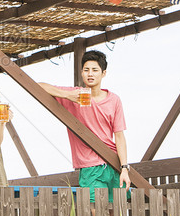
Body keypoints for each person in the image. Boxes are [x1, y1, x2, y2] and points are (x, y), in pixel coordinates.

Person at [38, 49, 130, 205]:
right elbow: (38, 86)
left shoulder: (114, 100)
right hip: (89, 166)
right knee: (97, 214)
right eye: (86, 70)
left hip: (112, 162)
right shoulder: (75, 94)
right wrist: (67, 95)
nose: (90, 74)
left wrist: (124, 168)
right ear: (81, 73)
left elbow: (119, 136)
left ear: (103, 73)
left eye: (95, 70)